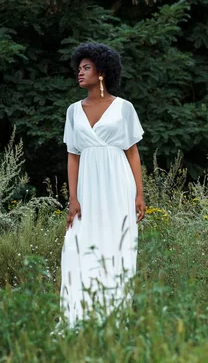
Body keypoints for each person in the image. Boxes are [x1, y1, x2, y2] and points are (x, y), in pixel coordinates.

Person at [60, 42, 146, 328]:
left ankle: (113, 317)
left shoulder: (124, 108)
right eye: (79, 68)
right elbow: (73, 157)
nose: (79, 73)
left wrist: (139, 194)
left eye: (86, 68)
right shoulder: (73, 111)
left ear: (101, 73)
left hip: (118, 185)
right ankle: (78, 316)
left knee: (117, 245)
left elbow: (132, 152)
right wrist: (73, 199)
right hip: (87, 188)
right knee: (77, 246)